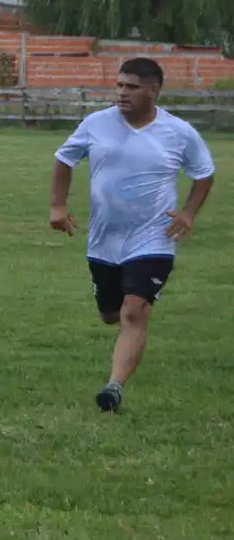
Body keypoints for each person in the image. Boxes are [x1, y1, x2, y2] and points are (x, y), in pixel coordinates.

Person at [50, 57, 215, 413]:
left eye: (132, 87)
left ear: (154, 90)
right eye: (120, 85)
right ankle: (118, 308)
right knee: (111, 314)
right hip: (105, 240)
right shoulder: (96, 124)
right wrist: (58, 206)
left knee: (134, 311)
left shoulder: (179, 132)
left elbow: (204, 173)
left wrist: (187, 212)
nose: (122, 93)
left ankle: (114, 388)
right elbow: (64, 160)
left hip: (154, 237)